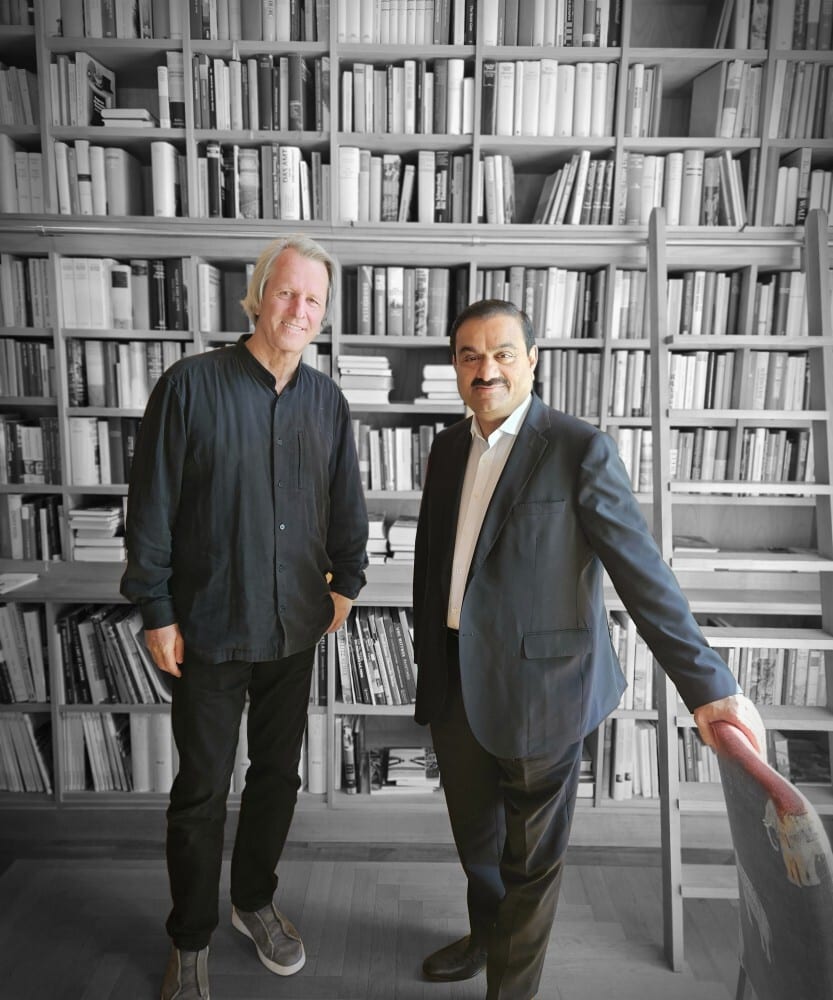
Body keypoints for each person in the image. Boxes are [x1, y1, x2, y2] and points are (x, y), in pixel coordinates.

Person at [411, 299, 766, 1000]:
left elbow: (640, 572)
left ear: (532, 360)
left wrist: (708, 687)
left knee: (530, 863)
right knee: (477, 844)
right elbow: (436, 563)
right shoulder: (448, 448)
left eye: (502, 353)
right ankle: (486, 936)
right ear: (455, 366)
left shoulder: (578, 448)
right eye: (470, 356)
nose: (487, 371)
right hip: (454, 678)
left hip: (543, 691)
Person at [121, 235, 368, 1000]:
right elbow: (152, 508)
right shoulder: (189, 386)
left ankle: (253, 901)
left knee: (276, 779)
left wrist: (347, 584)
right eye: (287, 292)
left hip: (296, 628)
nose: (299, 309)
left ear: (323, 315)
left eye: (313, 300)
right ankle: (189, 939)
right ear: (257, 295)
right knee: (201, 788)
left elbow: (344, 505)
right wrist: (157, 609)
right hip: (211, 628)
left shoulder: (328, 400)